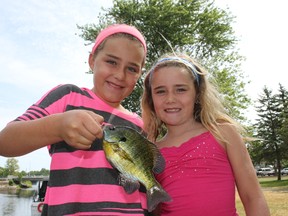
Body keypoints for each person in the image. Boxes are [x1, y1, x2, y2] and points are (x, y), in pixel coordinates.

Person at [0, 24, 149, 216]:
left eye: (132, 68)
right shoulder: (68, 97)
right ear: (92, 60)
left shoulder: (141, 125)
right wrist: (58, 126)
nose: (120, 75)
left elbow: (144, 191)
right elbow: (5, 142)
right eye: (111, 62)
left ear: (139, 74)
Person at [141, 53, 270, 216]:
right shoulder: (151, 150)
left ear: (197, 93)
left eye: (180, 89)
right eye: (160, 91)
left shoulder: (223, 133)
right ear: (151, 99)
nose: (170, 98)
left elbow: (253, 197)